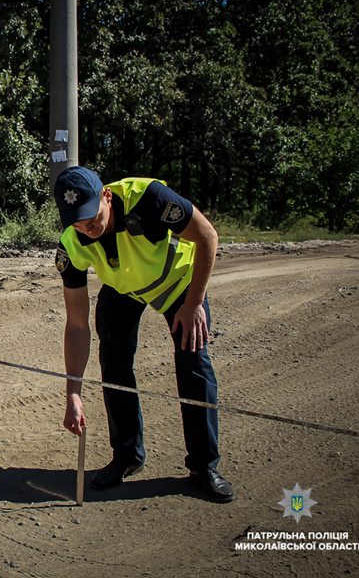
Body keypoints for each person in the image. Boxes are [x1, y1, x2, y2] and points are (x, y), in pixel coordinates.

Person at [54, 166, 233, 502]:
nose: (87, 228)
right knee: (114, 360)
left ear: (106, 195)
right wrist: (73, 394)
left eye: (92, 217)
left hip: (178, 283)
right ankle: (126, 456)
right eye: (77, 222)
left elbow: (207, 235)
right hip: (125, 287)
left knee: (192, 359)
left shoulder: (149, 198)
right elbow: (76, 326)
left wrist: (194, 304)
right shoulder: (71, 245)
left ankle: (204, 466)